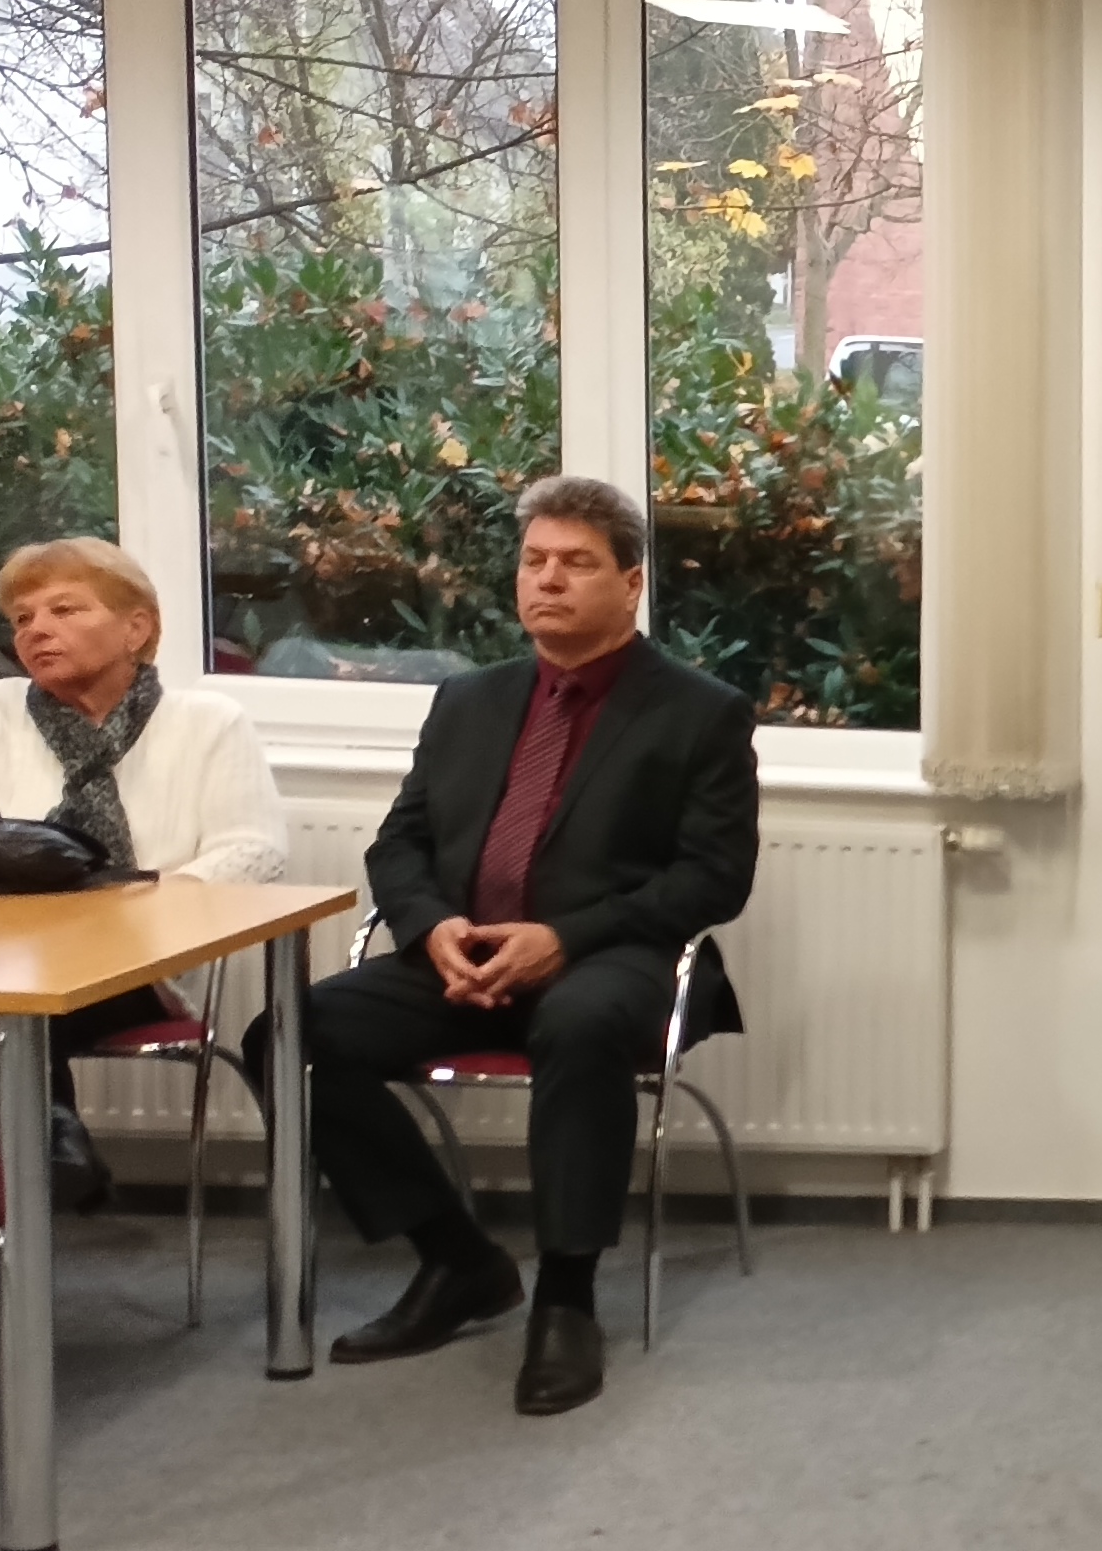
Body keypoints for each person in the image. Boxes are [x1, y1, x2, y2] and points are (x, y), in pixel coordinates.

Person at [263, 475, 760, 1417]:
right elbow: (399, 844)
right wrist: (431, 928)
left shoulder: (700, 711)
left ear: (631, 583)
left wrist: (563, 938)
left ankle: (567, 1297)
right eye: (534, 562)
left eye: (576, 563)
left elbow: (714, 879)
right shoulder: (469, 699)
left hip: (613, 958)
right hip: (463, 954)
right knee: (288, 1034)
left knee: (578, 1025)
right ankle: (457, 1259)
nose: (549, 581)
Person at [0, 538, 288, 1380]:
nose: (36, 629)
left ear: (138, 627)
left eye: (65, 609)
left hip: (138, 965)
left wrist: (121, 910)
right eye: (23, 616)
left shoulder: (208, 723)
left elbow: (253, 851)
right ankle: (40, 1152)